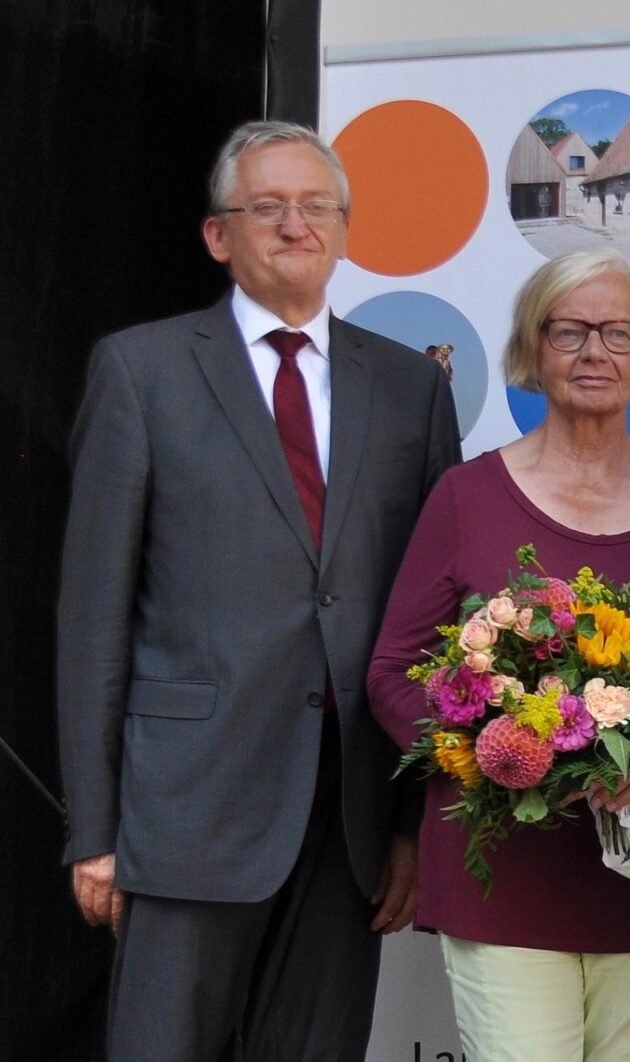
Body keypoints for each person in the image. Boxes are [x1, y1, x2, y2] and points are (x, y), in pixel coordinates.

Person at [55, 121, 461, 1060]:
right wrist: (95, 831)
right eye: (267, 206)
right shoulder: (140, 371)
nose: (294, 224)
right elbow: (91, 621)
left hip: (350, 821)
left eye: (316, 206)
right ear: (217, 234)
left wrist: (411, 826)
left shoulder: (409, 388)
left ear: (345, 230)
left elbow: (434, 622)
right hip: (184, 815)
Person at [367, 248, 630, 1062]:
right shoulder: (464, 498)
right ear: (532, 349)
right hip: (503, 879)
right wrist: (485, 747)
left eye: (618, 332)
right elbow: (392, 673)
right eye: (568, 330)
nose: (594, 351)